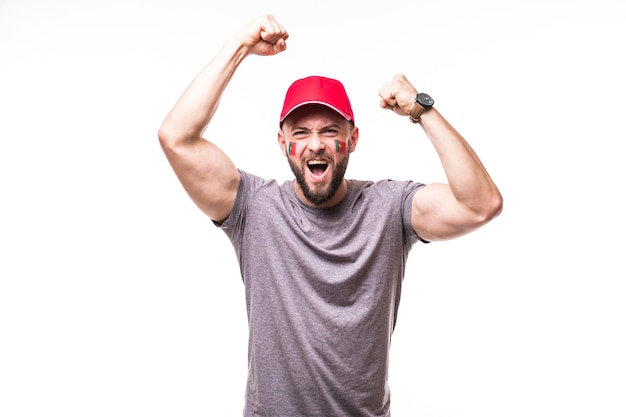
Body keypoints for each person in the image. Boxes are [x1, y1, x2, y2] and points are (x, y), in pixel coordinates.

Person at [158, 13, 503, 417]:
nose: (315, 144)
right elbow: (175, 137)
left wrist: (421, 110)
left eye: (329, 131)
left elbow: (481, 204)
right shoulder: (254, 208)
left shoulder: (389, 208)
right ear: (282, 142)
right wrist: (240, 46)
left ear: (352, 140)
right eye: (301, 133)